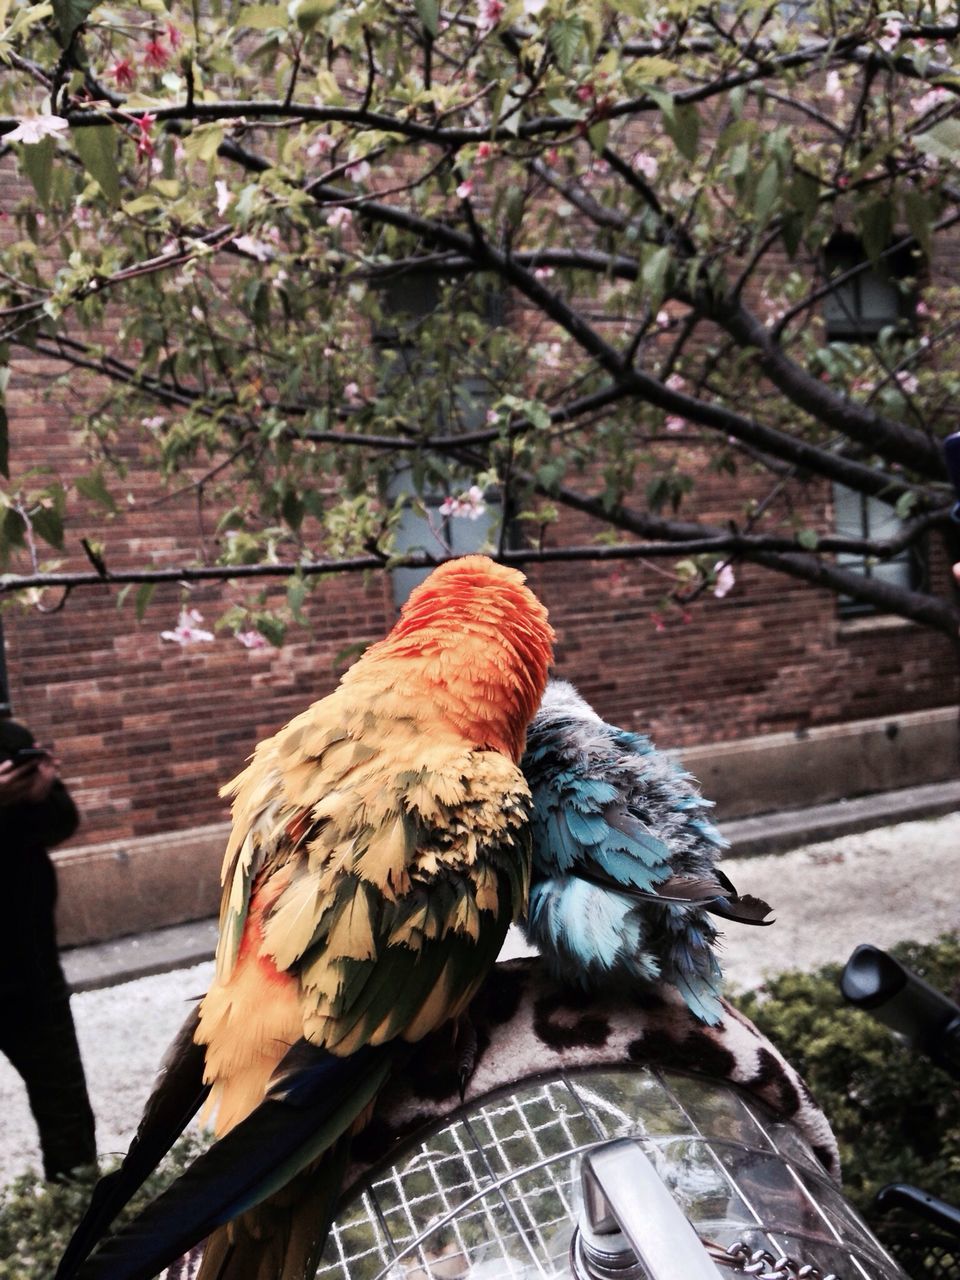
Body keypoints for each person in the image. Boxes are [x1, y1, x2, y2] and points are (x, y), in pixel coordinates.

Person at [0, 716, 97, 1181]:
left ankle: (77, 1223)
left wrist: (40, 793)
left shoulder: (7, 738)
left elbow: (62, 820)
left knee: (66, 1114)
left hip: (27, 967)